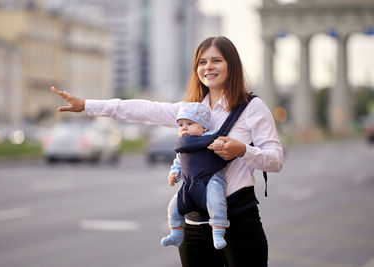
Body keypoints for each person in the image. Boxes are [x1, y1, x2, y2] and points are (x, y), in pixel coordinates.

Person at [50, 36, 284, 267]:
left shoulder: (252, 107)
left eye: (216, 60)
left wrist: (242, 150)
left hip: (239, 220)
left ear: (231, 65)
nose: (208, 67)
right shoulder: (189, 110)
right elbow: (143, 110)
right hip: (194, 224)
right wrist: (87, 106)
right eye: (202, 62)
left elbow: (276, 161)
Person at [162, 102, 229, 250]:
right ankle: (176, 233)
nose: (184, 128)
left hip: (211, 180)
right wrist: (174, 174)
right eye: (180, 125)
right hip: (189, 184)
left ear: (204, 127)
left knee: (216, 203)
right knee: (173, 207)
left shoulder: (212, 137)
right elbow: (178, 162)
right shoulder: (183, 145)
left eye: (190, 123)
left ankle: (218, 232)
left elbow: (225, 154)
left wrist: (220, 146)